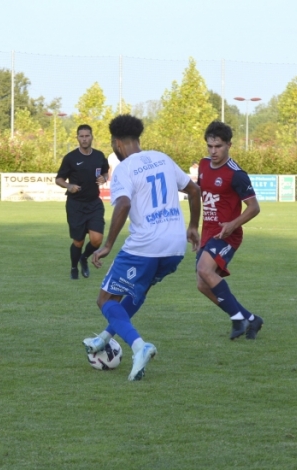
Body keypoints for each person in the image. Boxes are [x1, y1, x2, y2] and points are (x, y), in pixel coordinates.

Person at [82, 114, 201, 381]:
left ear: (116, 143)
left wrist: (108, 245)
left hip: (145, 245)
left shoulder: (124, 169)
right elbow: (194, 191)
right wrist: (193, 226)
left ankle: (139, 346)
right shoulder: (162, 158)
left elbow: (123, 205)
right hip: (175, 247)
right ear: (137, 139)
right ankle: (103, 338)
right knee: (138, 290)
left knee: (105, 299)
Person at [195, 121, 263, 340]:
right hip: (208, 233)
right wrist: (193, 227)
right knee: (202, 285)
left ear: (229, 145)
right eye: (210, 146)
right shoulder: (204, 166)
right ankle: (251, 319)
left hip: (228, 235)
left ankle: (236, 319)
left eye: (219, 146)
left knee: (206, 270)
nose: (213, 151)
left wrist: (232, 224)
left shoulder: (236, 174)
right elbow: (198, 197)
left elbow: (254, 208)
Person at [55, 124, 109, 280]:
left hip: (94, 203)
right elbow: (59, 179)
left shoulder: (99, 155)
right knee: (78, 241)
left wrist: (104, 178)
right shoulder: (70, 158)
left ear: (92, 137)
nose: (84, 139)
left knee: (97, 240)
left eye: (87, 136)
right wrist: (68, 185)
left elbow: (105, 171)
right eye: (81, 136)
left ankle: (84, 258)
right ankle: (74, 267)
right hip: (76, 205)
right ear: (77, 138)